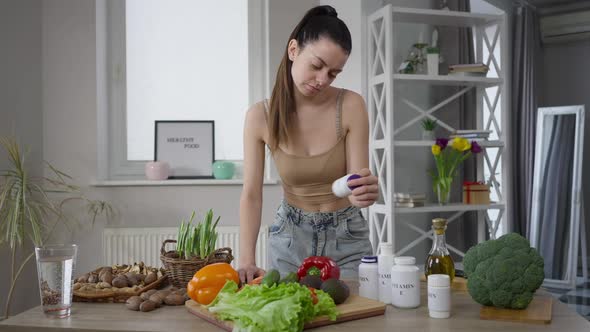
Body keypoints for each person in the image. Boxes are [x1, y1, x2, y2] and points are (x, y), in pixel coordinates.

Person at [238, 5, 379, 284]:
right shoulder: (259, 117)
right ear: (294, 50)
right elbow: (251, 195)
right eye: (316, 66)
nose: (322, 80)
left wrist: (363, 193)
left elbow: (354, 186)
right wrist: (246, 260)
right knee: (294, 322)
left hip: (347, 238)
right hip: (290, 239)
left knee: (356, 321)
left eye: (333, 73)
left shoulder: (351, 105)